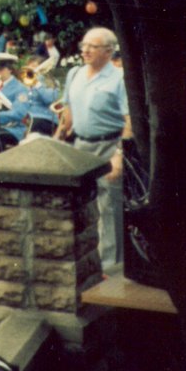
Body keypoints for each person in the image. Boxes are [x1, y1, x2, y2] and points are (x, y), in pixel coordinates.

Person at [55, 27, 131, 270]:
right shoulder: (74, 73)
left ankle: (112, 265)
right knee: (78, 204)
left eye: (93, 46)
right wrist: (59, 136)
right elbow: (68, 111)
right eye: (84, 45)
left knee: (109, 208)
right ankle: (83, 258)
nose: (85, 50)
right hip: (80, 146)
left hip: (108, 146)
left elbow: (129, 121)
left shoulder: (119, 78)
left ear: (109, 52)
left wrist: (119, 155)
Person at [0, 53, 30, 142]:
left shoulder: (20, 88)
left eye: (0, 69)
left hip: (13, 128)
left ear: (10, 70)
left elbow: (19, 113)